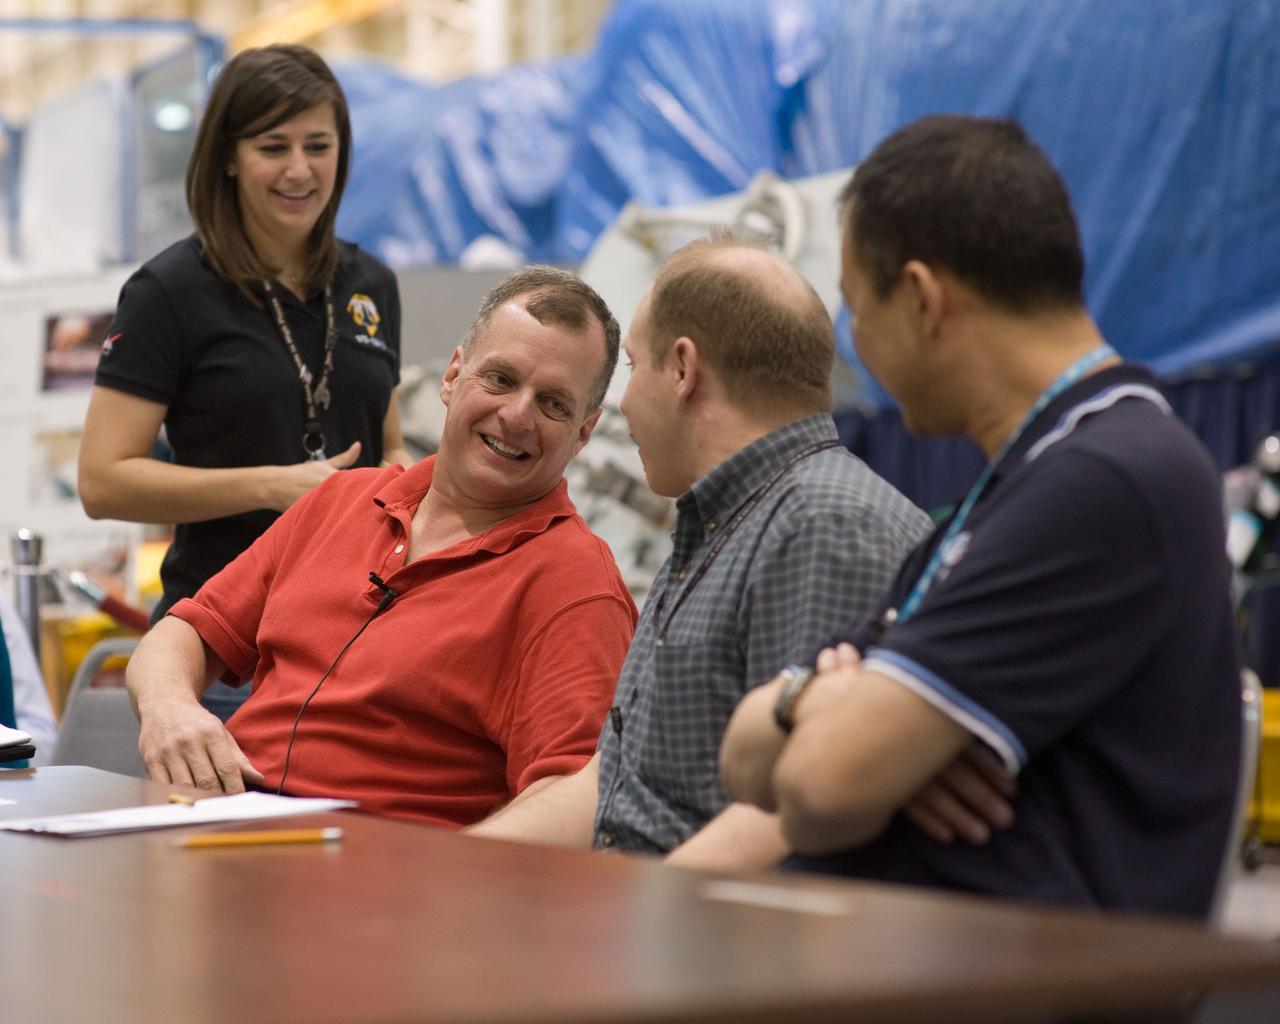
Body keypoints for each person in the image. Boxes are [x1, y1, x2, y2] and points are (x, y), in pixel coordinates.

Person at [720, 115, 1241, 917]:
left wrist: (851, 728)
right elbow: (744, 756)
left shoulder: (1107, 478)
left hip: (999, 981)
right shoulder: (1015, 488)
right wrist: (821, 705)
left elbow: (822, 788)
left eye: (857, 309)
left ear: (924, 299)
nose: (855, 346)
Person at [468, 236, 932, 869]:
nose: (622, 405)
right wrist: (440, 871)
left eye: (632, 367)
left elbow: (792, 812)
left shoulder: (827, 526)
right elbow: (612, 784)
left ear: (683, 370)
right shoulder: (725, 524)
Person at [125, 267, 638, 827]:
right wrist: (170, 707)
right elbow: (184, 633)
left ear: (584, 434)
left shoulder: (576, 587)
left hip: (375, 886)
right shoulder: (341, 501)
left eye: (554, 405)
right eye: (500, 379)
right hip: (218, 837)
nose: (517, 416)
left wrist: (429, 891)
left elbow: (574, 800)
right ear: (452, 375)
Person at [79, 44, 409, 722]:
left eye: (319, 146)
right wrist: (277, 487)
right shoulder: (169, 291)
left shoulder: (370, 284)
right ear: (229, 155)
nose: (299, 170)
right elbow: (102, 481)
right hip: (219, 651)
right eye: (273, 146)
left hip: (354, 643)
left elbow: (386, 440)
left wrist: (404, 480)